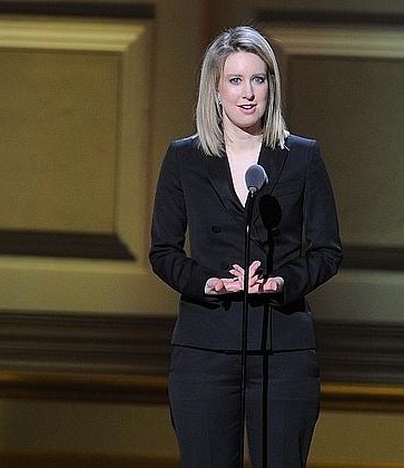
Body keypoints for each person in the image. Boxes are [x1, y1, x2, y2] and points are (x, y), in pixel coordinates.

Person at [149, 25, 342, 468]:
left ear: (271, 85)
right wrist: (208, 283)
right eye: (235, 80)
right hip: (205, 349)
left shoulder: (302, 156)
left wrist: (281, 282)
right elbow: (163, 251)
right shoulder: (184, 159)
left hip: (283, 352)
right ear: (215, 90)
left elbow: (327, 251)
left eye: (259, 79)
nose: (248, 93)